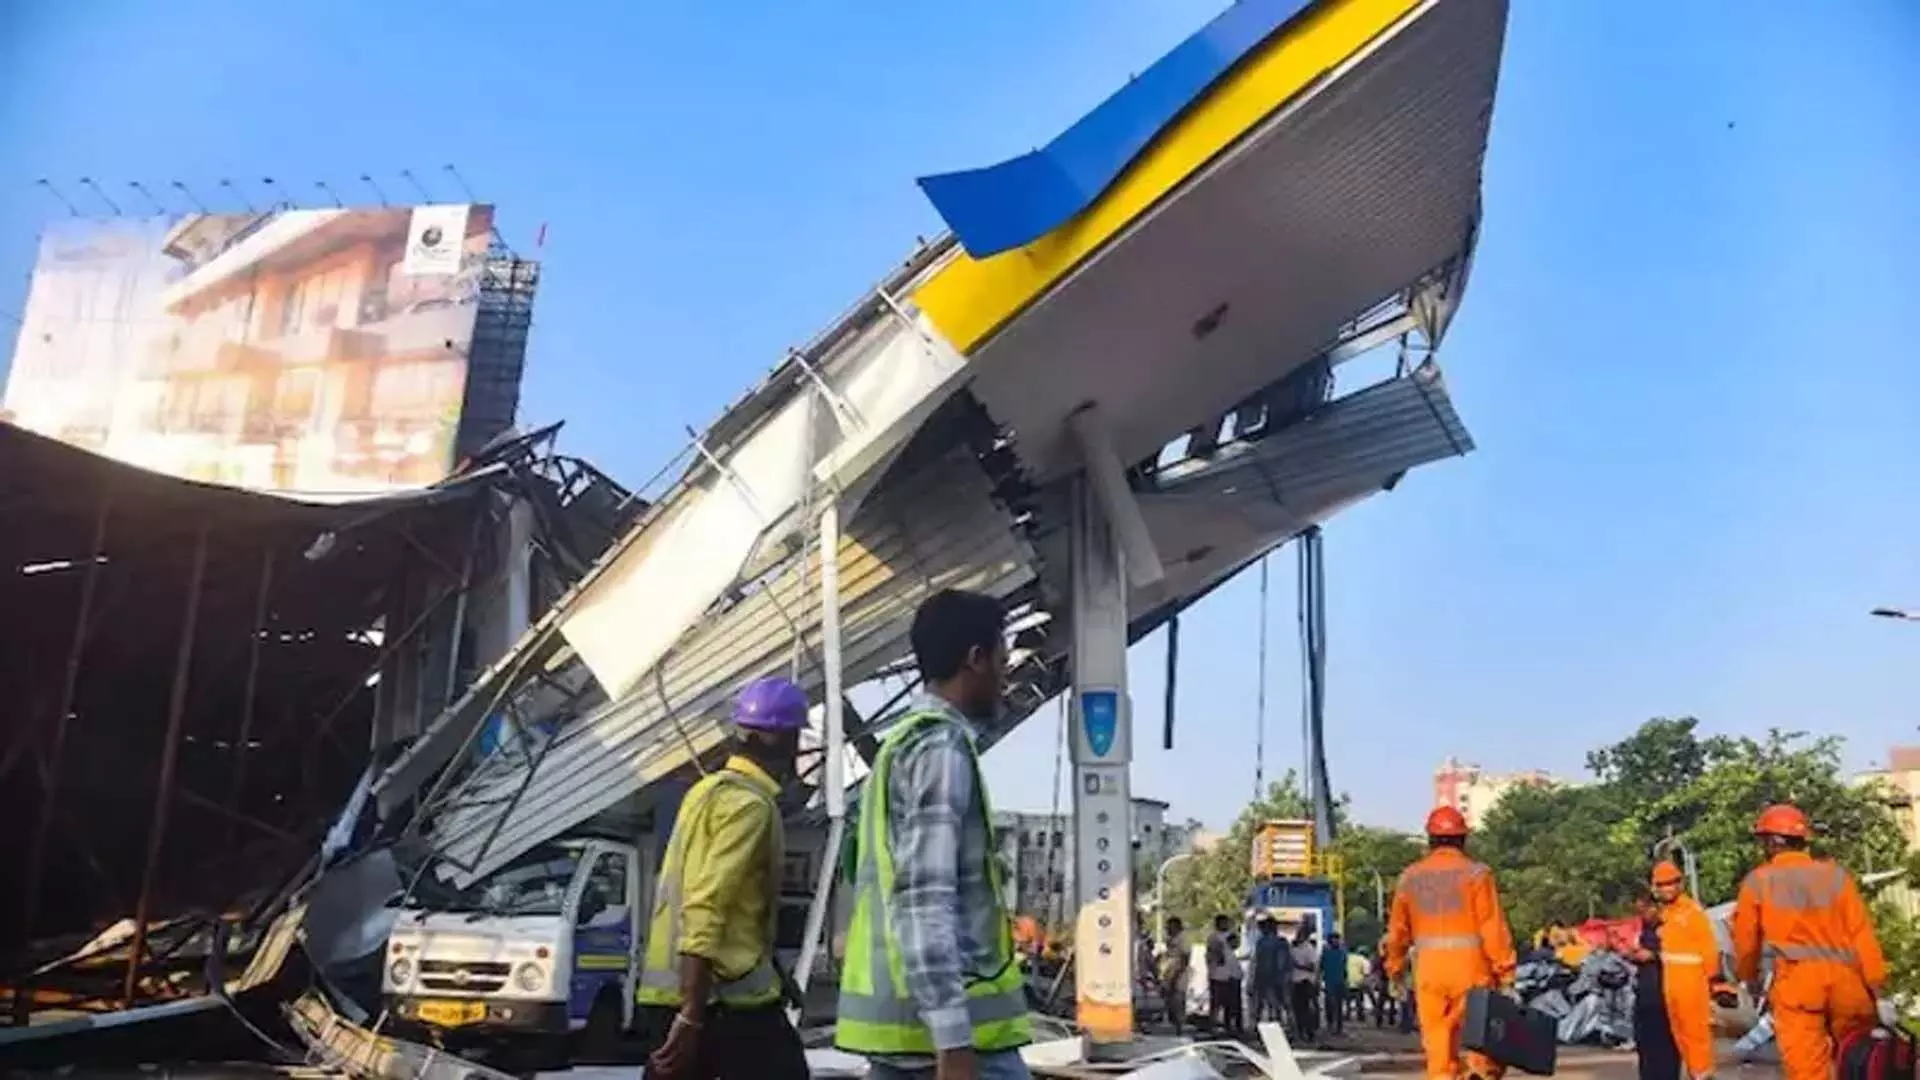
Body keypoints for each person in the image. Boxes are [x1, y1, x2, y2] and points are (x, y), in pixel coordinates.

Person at [835, 589, 1032, 1080]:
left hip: (905, 1038)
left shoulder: (898, 745)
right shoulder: (939, 748)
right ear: (975, 658)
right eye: (1002, 659)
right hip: (952, 1048)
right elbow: (924, 898)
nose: (1006, 675)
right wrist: (953, 1042)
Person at [638, 676, 811, 1080]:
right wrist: (692, 1016)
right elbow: (706, 905)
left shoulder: (703, 792)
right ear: (785, 741)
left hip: (672, 992)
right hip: (723, 1001)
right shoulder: (750, 806)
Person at [1731, 803, 1891, 1080]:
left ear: (1771, 842)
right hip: (1848, 984)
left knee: (1806, 1070)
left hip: (1799, 984)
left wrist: (1747, 978)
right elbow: (1863, 935)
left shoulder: (1758, 882)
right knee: (1857, 1062)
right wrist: (1878, 990)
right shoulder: (1836, 876)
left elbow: (1746, 943)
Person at [1383, 806, 1517, 1080]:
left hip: (1429, 973)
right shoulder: (1477, 874)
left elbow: (1397, 932)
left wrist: (1394, 970)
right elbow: (1492, 927)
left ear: (1430, 839)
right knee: (1480, 1045)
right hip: (1472, 972)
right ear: (1463, 838)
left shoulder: (1410, 877)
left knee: (1438, 1049)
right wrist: (1506, 974)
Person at [1651, 861, 1726, 1080]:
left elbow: (1708, 947)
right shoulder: (1664, 914)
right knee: (1680, 1036)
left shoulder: (1692, 912)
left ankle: (1703, 1075)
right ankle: (1696, 1074)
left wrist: (1715, 980)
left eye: (1670, 884)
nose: (1666, 889)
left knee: (1696, 1035)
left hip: (1692, 983)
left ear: (1679, 884)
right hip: (1671, 983)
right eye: (1661, 885)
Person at [1629, 893, 1681, 1080]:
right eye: (1639, 911)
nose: (1643, 915)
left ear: (1656, 907)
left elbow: (1681, 954)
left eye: (1645, 910)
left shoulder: (1672, 928)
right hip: (1645, 996)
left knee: (1666, 1048)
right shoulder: (1644, 930)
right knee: (1646, 1048)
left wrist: (1653, 956)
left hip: (1666, 995)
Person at [1251, 917, 1290, 1026]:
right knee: (1279, 1004)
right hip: (1274, 977)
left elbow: (1259, 962)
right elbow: (1282, 961)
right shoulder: (1280, 942)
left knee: (1265, 1004)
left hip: (1267, 977)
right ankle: (1280, 1025)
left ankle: (1264, 1025)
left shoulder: (1263, 942)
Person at [1160, 917, 1192, 1037]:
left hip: (1178, 977)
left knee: (1178, 1003)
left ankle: (1180, 1031)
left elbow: (1184, 959)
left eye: (1170, 927)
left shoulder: (1183, 939)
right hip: (1169, 975)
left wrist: (1175, 977)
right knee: (1170, 1004)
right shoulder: (1170, 940)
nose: (1167, 929)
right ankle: (1173, 1029)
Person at [1289, 927, 1320, 1042]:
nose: (1298, 936)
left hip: (1305, 981)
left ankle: (1309, 1032)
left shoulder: (1309, 949)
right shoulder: (1293, 948)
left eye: (1300, 934)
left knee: (1307, 1009)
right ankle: (1301, 1032)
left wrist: (1297, 965)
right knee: (1297, 1009)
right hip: (1295, 982)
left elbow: (1312, 967)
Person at [1206, 914, 1235, 1032]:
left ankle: (1228, 1025)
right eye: (1223, 923)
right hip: (1216, 974)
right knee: (1215, 1001)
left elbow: (1235, 945)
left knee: (1229, 1002)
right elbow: (1213, 952)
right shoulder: (1213, 937)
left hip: (1230, 974)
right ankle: (1212, 1024)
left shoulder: (1231, 936)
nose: (1225, 925)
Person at [1320, 932, 1350, 1036]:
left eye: (1337, 939)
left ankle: (1339, 1028)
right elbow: (1321, 967)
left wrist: (1346, 980)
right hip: (1329, 983)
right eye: (1334, 939)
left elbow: (1345, 968)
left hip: (1340, 982)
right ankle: (1330, 1026)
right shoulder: (1326, 953)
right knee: (1330, 1005)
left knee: (1339, 1006)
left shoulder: (1343, 952)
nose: (1336, 941)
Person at [1222, 932, 1247, 1035]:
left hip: (1233, 980)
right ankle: (1235, 1027)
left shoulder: (1230, 953)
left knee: (1232, 1005)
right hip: (1232, 980)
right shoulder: (1228, 954)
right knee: (1234, 1005)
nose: (1238, 944)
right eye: (1236, 942)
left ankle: (1232, 1026)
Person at [1346, 946, 1371, 1024]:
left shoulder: (1346, 957)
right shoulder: (1362, 959)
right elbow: (1366, 972)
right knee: (1359, 999)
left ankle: (1348, 1015)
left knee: (1348, 1000)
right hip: (1358, 981)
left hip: (1348, 981)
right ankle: (1360, 1015)